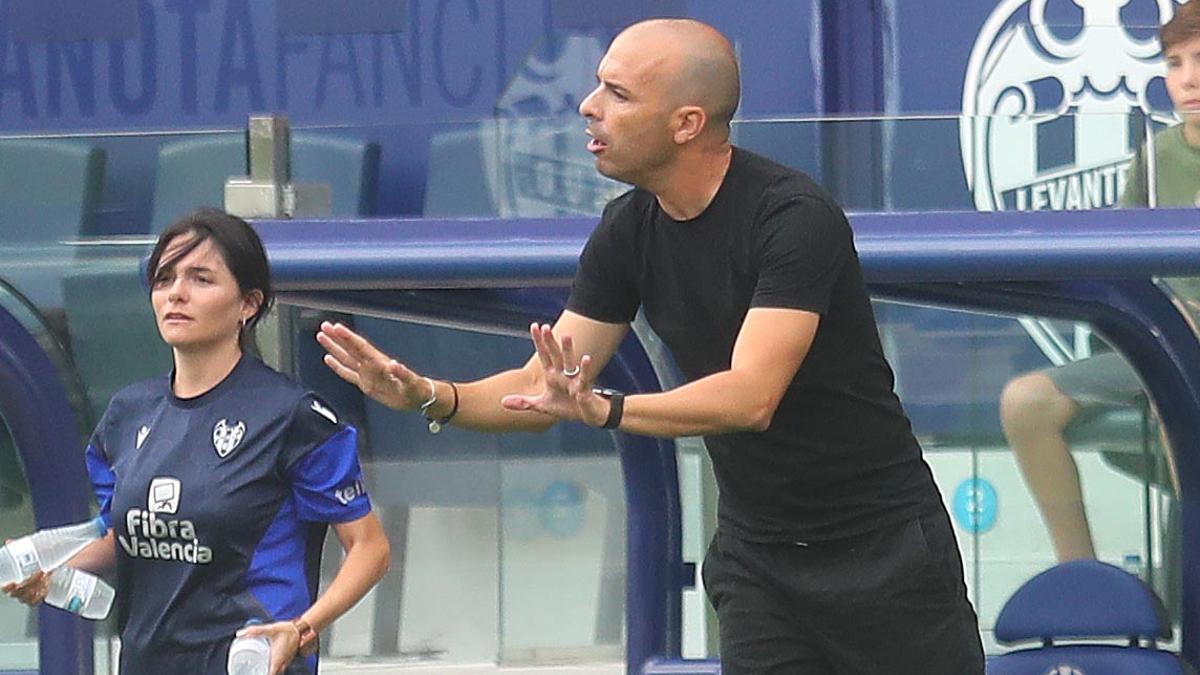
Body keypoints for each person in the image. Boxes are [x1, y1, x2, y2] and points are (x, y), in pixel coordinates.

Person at [318, 18, 983, 674]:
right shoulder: (627, 229)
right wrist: (432, 395)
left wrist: (609, 409)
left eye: (618, 93)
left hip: (884, 553)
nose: (588, 106)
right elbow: (542, 386)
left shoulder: (793, 218)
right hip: (759, 564)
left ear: (687, 123)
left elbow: (752, 396)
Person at [4, 209, 390, 675]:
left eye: (201, 279)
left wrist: (303, 628)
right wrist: (51, 575)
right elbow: (124, 537)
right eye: (164, 279)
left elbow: (370, 548)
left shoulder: (292, 416)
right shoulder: (128, 413)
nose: (176, 294)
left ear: (248, 303)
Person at [1001, 0, 1200, 563]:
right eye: (1175, 62)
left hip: (1187, 361)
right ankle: (1082, 577)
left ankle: (1194, 568)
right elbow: (1121, 270)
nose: (1188, 78)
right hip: (1167, 343)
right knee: (1026, 401)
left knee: (1176, 398)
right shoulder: (1156, 157)